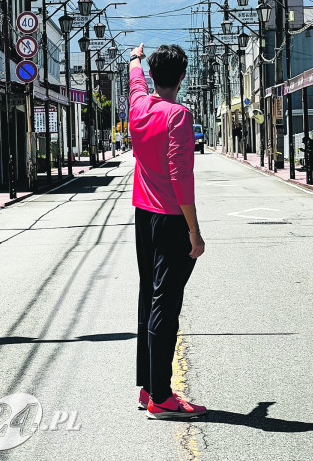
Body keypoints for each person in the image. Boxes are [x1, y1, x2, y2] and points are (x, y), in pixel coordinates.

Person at [129, 42, 207, 420]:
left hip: (143, 216)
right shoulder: (178, 115)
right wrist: (194, 231)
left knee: (149, 297)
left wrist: (135, 58)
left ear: (153, 75)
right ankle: (161, 396)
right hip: (171, 218)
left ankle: (149, 386)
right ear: (182, 77)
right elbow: (181, 177)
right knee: (166, 304)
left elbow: (134, 81)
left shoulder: (139, 107)